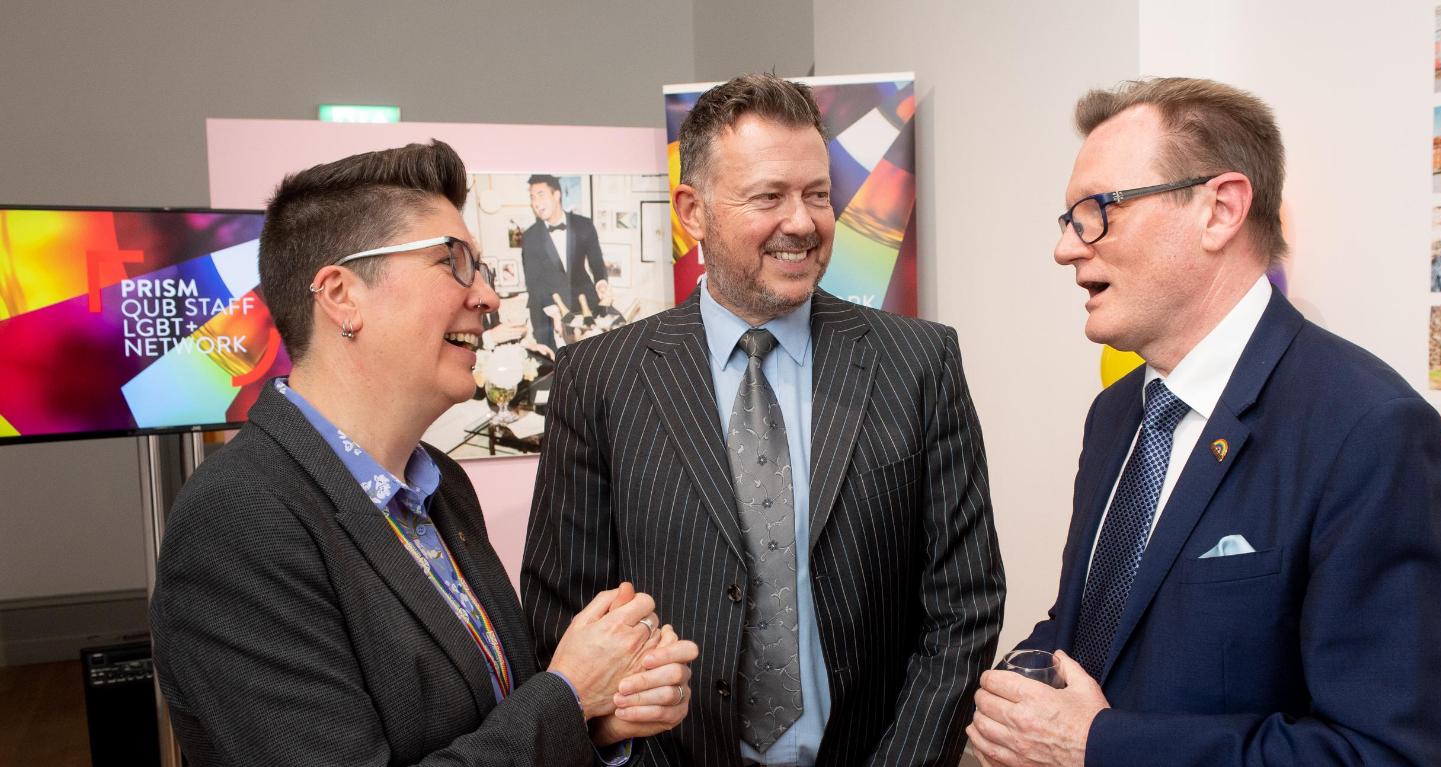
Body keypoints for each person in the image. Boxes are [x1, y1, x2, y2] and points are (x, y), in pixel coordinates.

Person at [966, 78, 1441, 767]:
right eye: (1067, 219)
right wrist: (1018, 692)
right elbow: (1096, 623)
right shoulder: (1116, 415)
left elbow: (1386, 753)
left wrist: (1097, 747)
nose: (1067, 248)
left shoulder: (1369, 430)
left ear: (1221, 210)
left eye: (1096, 211)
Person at [147, 141, 699, 765]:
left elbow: (492, 718)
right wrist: (568, 698)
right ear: (341, 295)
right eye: (453, 262)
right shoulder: (238, 521)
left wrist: (596, 725)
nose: (488, 297)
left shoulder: (442, 485)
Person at [523, 74, 1005, 767]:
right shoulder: (600, 379)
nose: (802, 222)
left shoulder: (917, 363)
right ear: (693, 211)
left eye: (818, 194)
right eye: (768, 196)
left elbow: (965, 603)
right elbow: (563, 616)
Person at [520, 173, 609, 349]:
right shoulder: (530, 236)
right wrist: (554, 312)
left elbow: (596, 261)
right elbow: (533, 282)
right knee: (552, 360)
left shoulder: (584, 224)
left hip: (583, 301)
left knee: (595, 352)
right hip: (546, 309)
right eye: (532, 197)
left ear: (556, 194)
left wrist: (601, 282)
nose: (536, 203)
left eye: (540, 195)